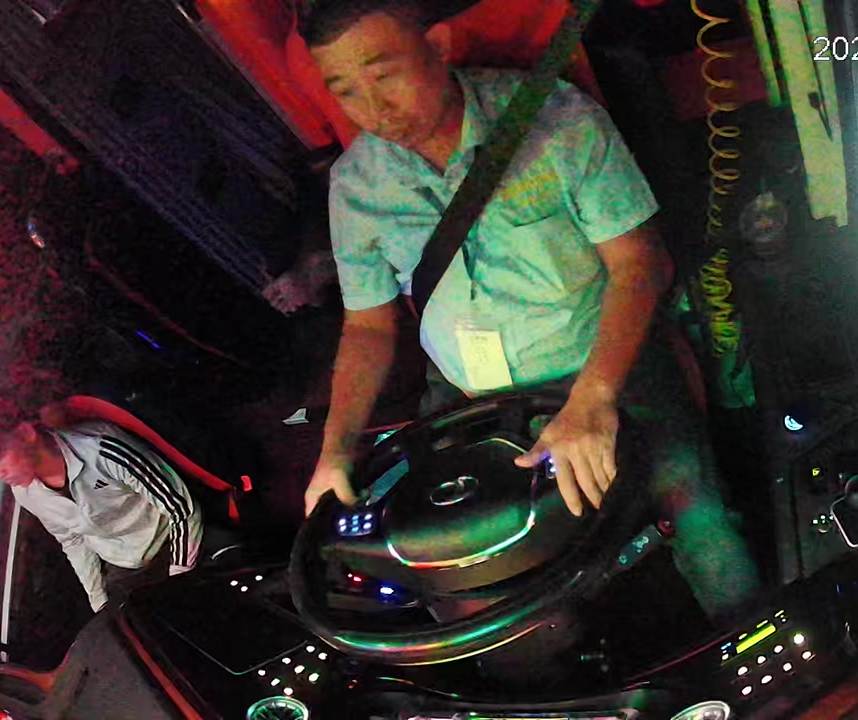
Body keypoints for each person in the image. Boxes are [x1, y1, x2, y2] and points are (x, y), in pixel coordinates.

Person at [297, 0, 759, 624]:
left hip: (598, 366)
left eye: (385, 75)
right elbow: (369, 326)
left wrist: (592, 400)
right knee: (450, 570)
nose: (374, 110)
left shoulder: (556, 122)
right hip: (466, 394)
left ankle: (749, 641)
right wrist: (335, 448)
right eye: (346, 91)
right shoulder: (357, 185)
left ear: (439, 46)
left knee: (701, 520)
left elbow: (640, 264)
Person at [0, 395, 202, 612]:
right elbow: (72, 540)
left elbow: (180, 508)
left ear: (25, 433)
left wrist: (179, 580)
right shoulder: (25, 494)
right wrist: (99, 603)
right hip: (123, 567)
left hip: (173, 540)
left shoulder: (101, 450)